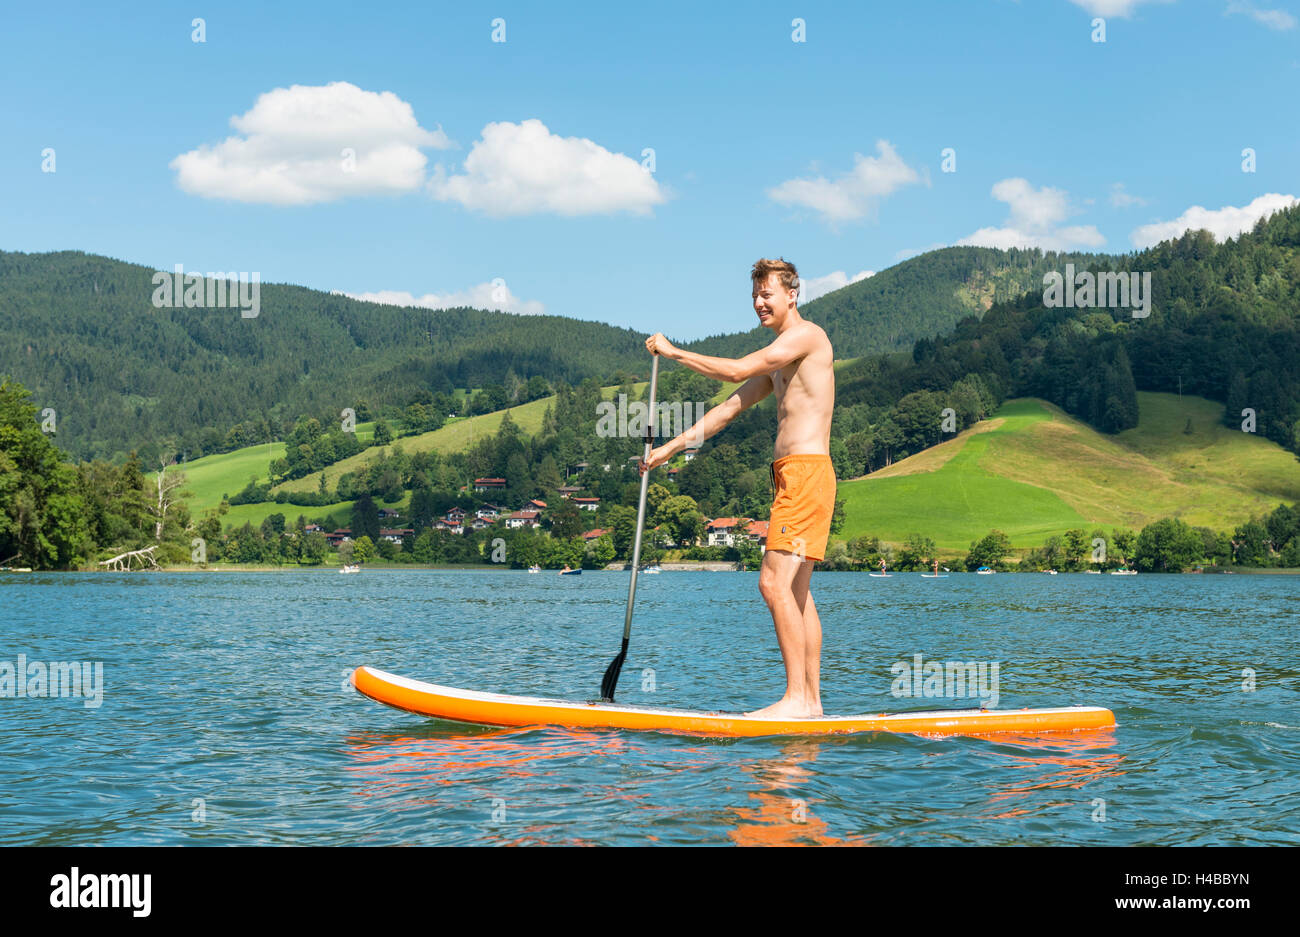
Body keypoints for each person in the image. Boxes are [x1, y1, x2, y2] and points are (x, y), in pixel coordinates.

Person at [640, 258, 834, 718]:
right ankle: (811, 703)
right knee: (797, 592)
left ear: (792, 294)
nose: (759, 303)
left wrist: (675, 352)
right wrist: (669, 450)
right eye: (754, 296)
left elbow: (735, 370)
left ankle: (797, 700)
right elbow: (728, 409)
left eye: (767, 294)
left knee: (772, 583)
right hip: (794, 475)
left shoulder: (808, 337)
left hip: (806, 474)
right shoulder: (782, 357)